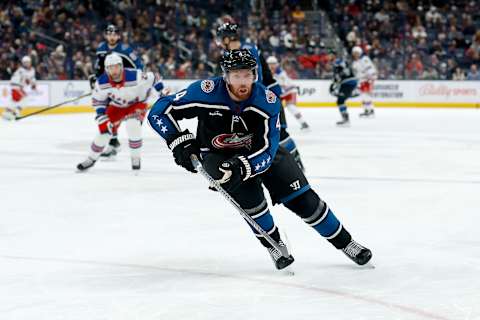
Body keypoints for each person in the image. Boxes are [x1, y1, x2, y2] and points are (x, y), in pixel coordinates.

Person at [147, 49, 372, 270]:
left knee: (305, 201)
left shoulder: (267, 101)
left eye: (247, 74)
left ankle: (346, 243)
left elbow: (268, 149)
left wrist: (245, 166)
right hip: (220, 157)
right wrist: (177, 140)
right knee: (251, 205)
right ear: (225, 76)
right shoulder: (204, 92)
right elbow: (158, 111)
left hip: (262, 155)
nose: (242, 81)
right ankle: (274, 244)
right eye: (236, 75)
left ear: (255, 74)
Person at [216, 22, 306, 172]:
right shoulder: (245, 50)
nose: (219, 42)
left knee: (278, 133)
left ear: (228, 38)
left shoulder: (246, 51)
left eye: (221, 38)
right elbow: (267, 76)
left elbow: (255, 80)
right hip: (259, 99)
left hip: (260, 101)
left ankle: (295, 165)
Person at [77, 53, 164, 172]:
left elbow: (154, 77)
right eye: (111, 67)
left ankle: (135, 158)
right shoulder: (102, 82)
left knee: (133, 125)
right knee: (104, 132)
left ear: (121, 66)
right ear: (107, 69)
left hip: (136, 104)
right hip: (117, 106)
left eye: (117, 66)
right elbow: (98, 101)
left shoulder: (134, 75)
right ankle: (91, 159)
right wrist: (101, 116)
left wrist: (162, 92)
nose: (114, 70)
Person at [90, 24, 145, 157]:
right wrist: (96, 79)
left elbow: (139, 65)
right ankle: (113, 142)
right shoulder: (101, 48)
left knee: (120, 115)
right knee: (108, 114)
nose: (112, 37)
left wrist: (137, 80)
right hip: (109, 85)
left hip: (124, 86)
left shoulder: (125, 49)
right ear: (106, 35)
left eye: (114, 34)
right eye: (109, 34)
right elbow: (99, 66)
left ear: (119, 36)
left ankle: (114, 142)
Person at [266, 55, 310, 130]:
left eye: (273, 64)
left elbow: (283, 86)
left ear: (276, 64)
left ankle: (303, 123)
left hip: (289, 91)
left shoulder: (280, 73)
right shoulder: (270, 73)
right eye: (270, 64)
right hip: (282, 92)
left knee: (291, 107)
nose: (272, 66)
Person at [2, 56, 36, 121]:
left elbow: (32, 78)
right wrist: (31, 83)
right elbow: (27, 79)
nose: (27, 64)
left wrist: (33, 84)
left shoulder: (32, 70)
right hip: (16, 86)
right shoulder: (21, 70)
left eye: (28, 62)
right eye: (25, 62)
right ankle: (16, 112)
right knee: (26, 98)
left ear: (30, 62)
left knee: (14, 101)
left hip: (19, 87)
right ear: (23, 63)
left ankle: (7, 113)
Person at [330, 55, 359, 126]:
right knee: (340, 101)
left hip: (347, 83)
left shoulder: (337, 65)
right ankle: (345, 119)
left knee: (340, 101)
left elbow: (337, 78)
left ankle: (346, 120)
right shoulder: (344, 63)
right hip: (350, 83)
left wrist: (333, 86)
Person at [351, 46, 377, 117]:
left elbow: (370, 68)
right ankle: (366, 110)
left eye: (357, 53)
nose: (355, 54)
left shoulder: (364, 59)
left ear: (360, 53)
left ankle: (370, 111)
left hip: (367, 79)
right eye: (354, 53)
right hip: (361, 81)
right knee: (363, 96)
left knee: (366, 95)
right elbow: (355, 72)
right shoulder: (355, 62)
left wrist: (371, 77)